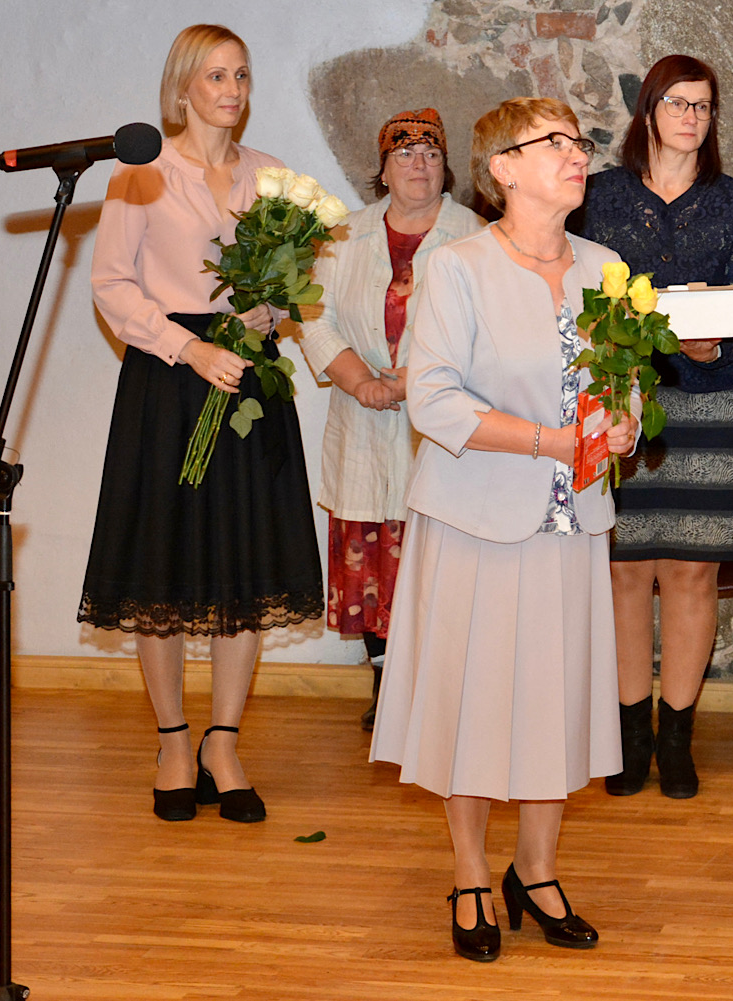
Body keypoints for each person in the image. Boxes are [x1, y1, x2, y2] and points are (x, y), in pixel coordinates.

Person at [369, 97, 638, 962]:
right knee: (474, 698)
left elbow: (623, 383)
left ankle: (539, 869)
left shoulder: (606, 268)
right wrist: (548, 441)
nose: (576, 153)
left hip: (572, 520)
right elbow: (433, 399)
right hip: (476, 518)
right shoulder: (457, 268)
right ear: (503, 169)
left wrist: (624, 423)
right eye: (554, 142)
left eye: (578, 140)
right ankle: (471, 873)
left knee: (556, 696)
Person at [79, 23, 323, 825]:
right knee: (162, 566)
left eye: (242, 75)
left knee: (244, 565)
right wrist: (189, 348)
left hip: (249, 379)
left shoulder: (273, 175)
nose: (232, 90)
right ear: (182, 86)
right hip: (169, 380)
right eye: (216, 75)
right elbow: (112, 286)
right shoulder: (140, 172)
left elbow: (294, 287)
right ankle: (174, 743)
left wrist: (268, 314)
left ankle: (223, 742)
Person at [576, 54, 733, 799]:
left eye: (703, 105)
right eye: (678, 103)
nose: (691, 117)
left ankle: (677, 737)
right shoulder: (599, 196)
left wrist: (717, 344)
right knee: (624, 571)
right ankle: (629, 738)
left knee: (692, 572)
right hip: (620, 403)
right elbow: (574, 295)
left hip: (711, 401)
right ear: (649, 110)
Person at [298, 108, 482, 729]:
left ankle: (434, 691)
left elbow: (486, 327)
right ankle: (386, 687)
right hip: (360, 419)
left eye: (431, 154)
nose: (418, 164)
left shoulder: (475, 235)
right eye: (404, 154)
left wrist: (416, 379)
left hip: (440, 425)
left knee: (433, 551)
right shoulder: (343, 235)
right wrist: (358, 379)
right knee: (369, 555)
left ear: (445, 166)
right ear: (382, 169)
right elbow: (313, 315)